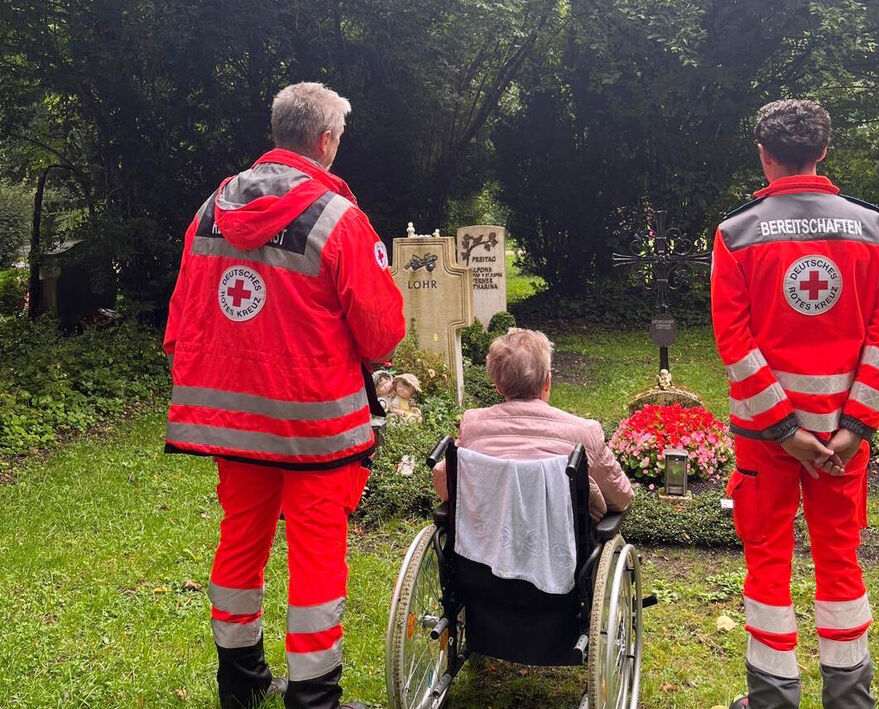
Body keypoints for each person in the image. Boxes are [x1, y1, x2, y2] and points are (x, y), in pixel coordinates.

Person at [163, 82, 405, 709]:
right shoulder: (337, 219)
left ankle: (240, 683)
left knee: (240, 540)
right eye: (339, 138)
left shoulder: (210, 210)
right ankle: (314, 697)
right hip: (314, 425)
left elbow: (184, 314)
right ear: (324, 141)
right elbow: (382, 332)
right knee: (317, 558)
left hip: (234, 421)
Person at [711, 100, 879, 709]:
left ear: (763, 155)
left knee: (768, 561)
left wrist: (783, 429)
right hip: (843, 440)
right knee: (841, 560)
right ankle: (849, 699)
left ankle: (772, 699)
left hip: (764, 438)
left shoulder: (737, 233)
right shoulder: (876, 230)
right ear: (822, 152)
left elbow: (734, 342)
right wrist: (854, 426)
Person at [433, 327, 634, 522]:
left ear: (499, 386)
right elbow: (621, 497)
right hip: (563, 543)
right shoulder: (584, 433)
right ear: (547, 381)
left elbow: (446, 486)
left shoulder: (473, 427)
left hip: (485, 541)